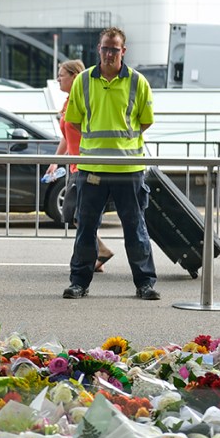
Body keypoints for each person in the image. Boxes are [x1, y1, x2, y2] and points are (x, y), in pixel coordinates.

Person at [62, 27, 159, 301]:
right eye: (105, 48)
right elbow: (74, 120)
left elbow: (145, 120)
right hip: (93, 167)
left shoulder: (138, 82)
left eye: (114, 49)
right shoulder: (82, 81)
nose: (108, 53)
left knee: (135, 228)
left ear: (123, 51)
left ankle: (145, 284)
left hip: (128, 169)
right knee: (86, 229)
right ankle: (79, 282)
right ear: (98, 49)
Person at [44, 59, 114, 272]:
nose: (58, 78)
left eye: (61, 74)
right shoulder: (68, 102)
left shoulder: (86, 99)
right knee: (77, 213)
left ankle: (96, 254)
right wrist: (55, 161)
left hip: (86, 165)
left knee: (77, 213)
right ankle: (95, 255)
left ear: (75, 76)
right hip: (75, 165)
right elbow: (66, 136)